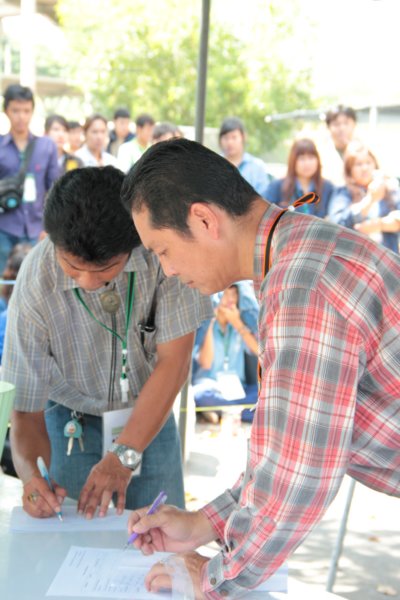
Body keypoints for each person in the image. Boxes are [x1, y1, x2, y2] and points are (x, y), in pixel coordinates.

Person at [121, 139, 400, 599]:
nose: (167, 271)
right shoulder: (299, 252)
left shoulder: (302, 286)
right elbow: (286, 446)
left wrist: (213, 577)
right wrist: (204, 523)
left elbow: (300, 475)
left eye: (163, 250)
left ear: (204, 220)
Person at [3, 165, 212, 521]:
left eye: (104, 269)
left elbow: (174, 363)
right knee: (67, 529)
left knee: (159, 530)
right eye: (72, 267)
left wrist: (125, 455)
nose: (87, 282)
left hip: (150, 414)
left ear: (134, 241)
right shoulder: (37, 276)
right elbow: (25, 406)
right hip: (69, 421)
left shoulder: (163, 256)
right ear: (51, 239)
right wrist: (33, 478)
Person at [0, 84, 58, 274]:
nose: (21, 116)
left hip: (37, 229)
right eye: (15, 110)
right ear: (6, 111)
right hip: (4, 228)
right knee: (3, 280)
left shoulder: (46, 146)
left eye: (26, 111)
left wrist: (49, 227)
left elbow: (54, 189)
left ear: (32, 111)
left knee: (35, 280)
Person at [193, 283, 258, 424]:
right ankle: (238, 412)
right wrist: (211, 321)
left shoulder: (240, 324)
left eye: (234, 294)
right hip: (211, 386)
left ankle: (222, 411)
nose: (230, 299)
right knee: (201, 396)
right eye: (225, 294)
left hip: (237, 389)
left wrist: (237, 323)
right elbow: (206, 362)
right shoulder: (205, 326)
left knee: (262, 394)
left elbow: (259, 351)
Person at [328, 142, 400, 253]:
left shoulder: (389, 187)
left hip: (388, 256)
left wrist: (378, 225)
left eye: (368, 163)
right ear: (349, 170)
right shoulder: (343, 192)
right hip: (356, 257)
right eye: (358, 164)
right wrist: (369, 200)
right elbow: (338, 224)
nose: (365, 168)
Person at [266, 138, 334, 218]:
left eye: (311, 157)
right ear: (293, 161)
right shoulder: (277, 187)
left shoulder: (328, 188)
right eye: (302, 158)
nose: (307, 163)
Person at [219, 116, 272, 200]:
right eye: (226, 138)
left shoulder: (257, 167)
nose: (229, 142)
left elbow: (264, 200)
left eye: (234, 137)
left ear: (243, 137)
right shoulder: (213, 164)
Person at [319, 104, 358, 186]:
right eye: (336, 124)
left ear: (354, 124)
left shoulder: (365, 150)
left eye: (346, 123)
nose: (342, 128)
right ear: (328, 127)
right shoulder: (320, 153)